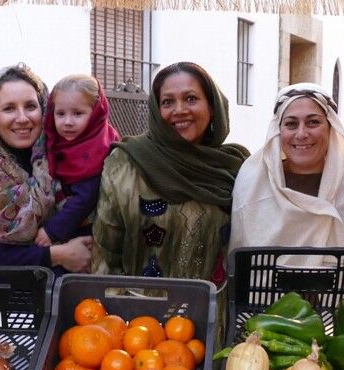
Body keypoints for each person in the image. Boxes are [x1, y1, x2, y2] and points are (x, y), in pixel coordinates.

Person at [92, 62, 249, 285]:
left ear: (212, 106)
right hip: (139, 305)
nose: (179, 109)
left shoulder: (236, 167)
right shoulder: (127, 162)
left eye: (191, 99)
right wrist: (115, 303)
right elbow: (105, 252)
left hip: (214, 305)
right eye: (167, 102)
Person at [0, 64, 93, 273]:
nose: (22, 118)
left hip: (74, 289)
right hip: (4, 292)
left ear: (44, 109)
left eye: (30, 106)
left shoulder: (72, 159)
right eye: (9, 108)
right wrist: (55, 255)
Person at [230, 83, 344, 264]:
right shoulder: (252, 183)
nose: (301, 134)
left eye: (313, 122)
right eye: (291, 124)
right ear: (278, 131)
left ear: (330, 127)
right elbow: (240, 260)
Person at [36, 74, 120, 247]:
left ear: (96, 113)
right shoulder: (55, 142)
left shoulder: (99, 148)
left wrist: (52, 231)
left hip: (89, 233)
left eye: (77, 113)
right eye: (60, 113)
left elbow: (85, 198)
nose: (68, 122)